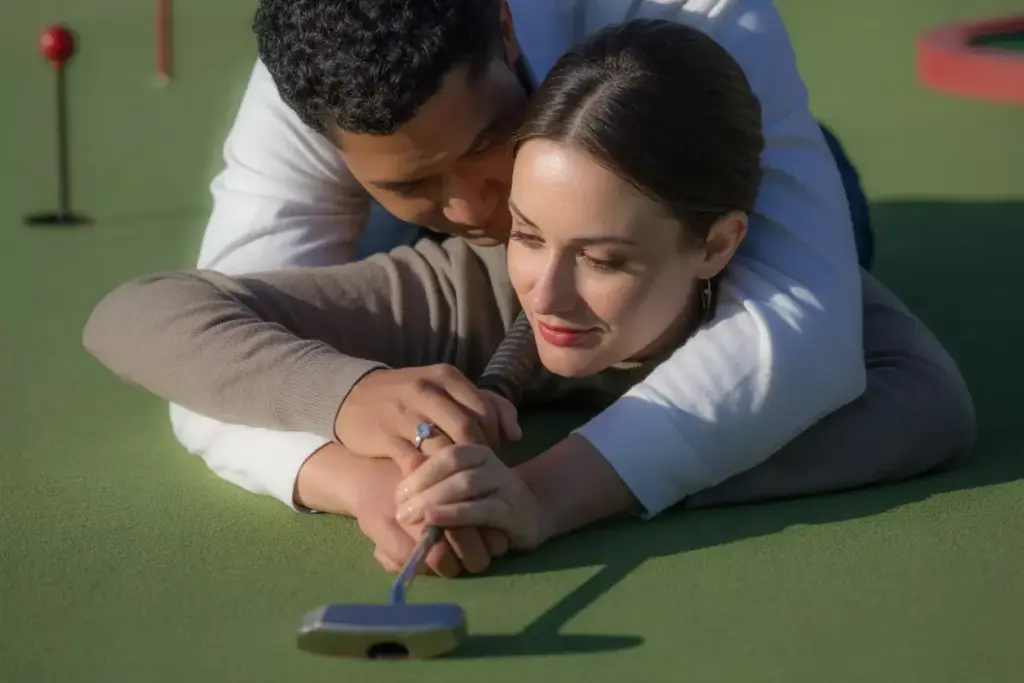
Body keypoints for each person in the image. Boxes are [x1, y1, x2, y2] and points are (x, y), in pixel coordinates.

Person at [84, 18, 974, 572]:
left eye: (603, 257)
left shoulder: (735, 192)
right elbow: (195, 352)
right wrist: (357, 434)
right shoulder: (463, 269)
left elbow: (889, 382)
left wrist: (550, 492)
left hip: (694, 141)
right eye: (533, 231)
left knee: (830, 224)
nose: (480, 216)